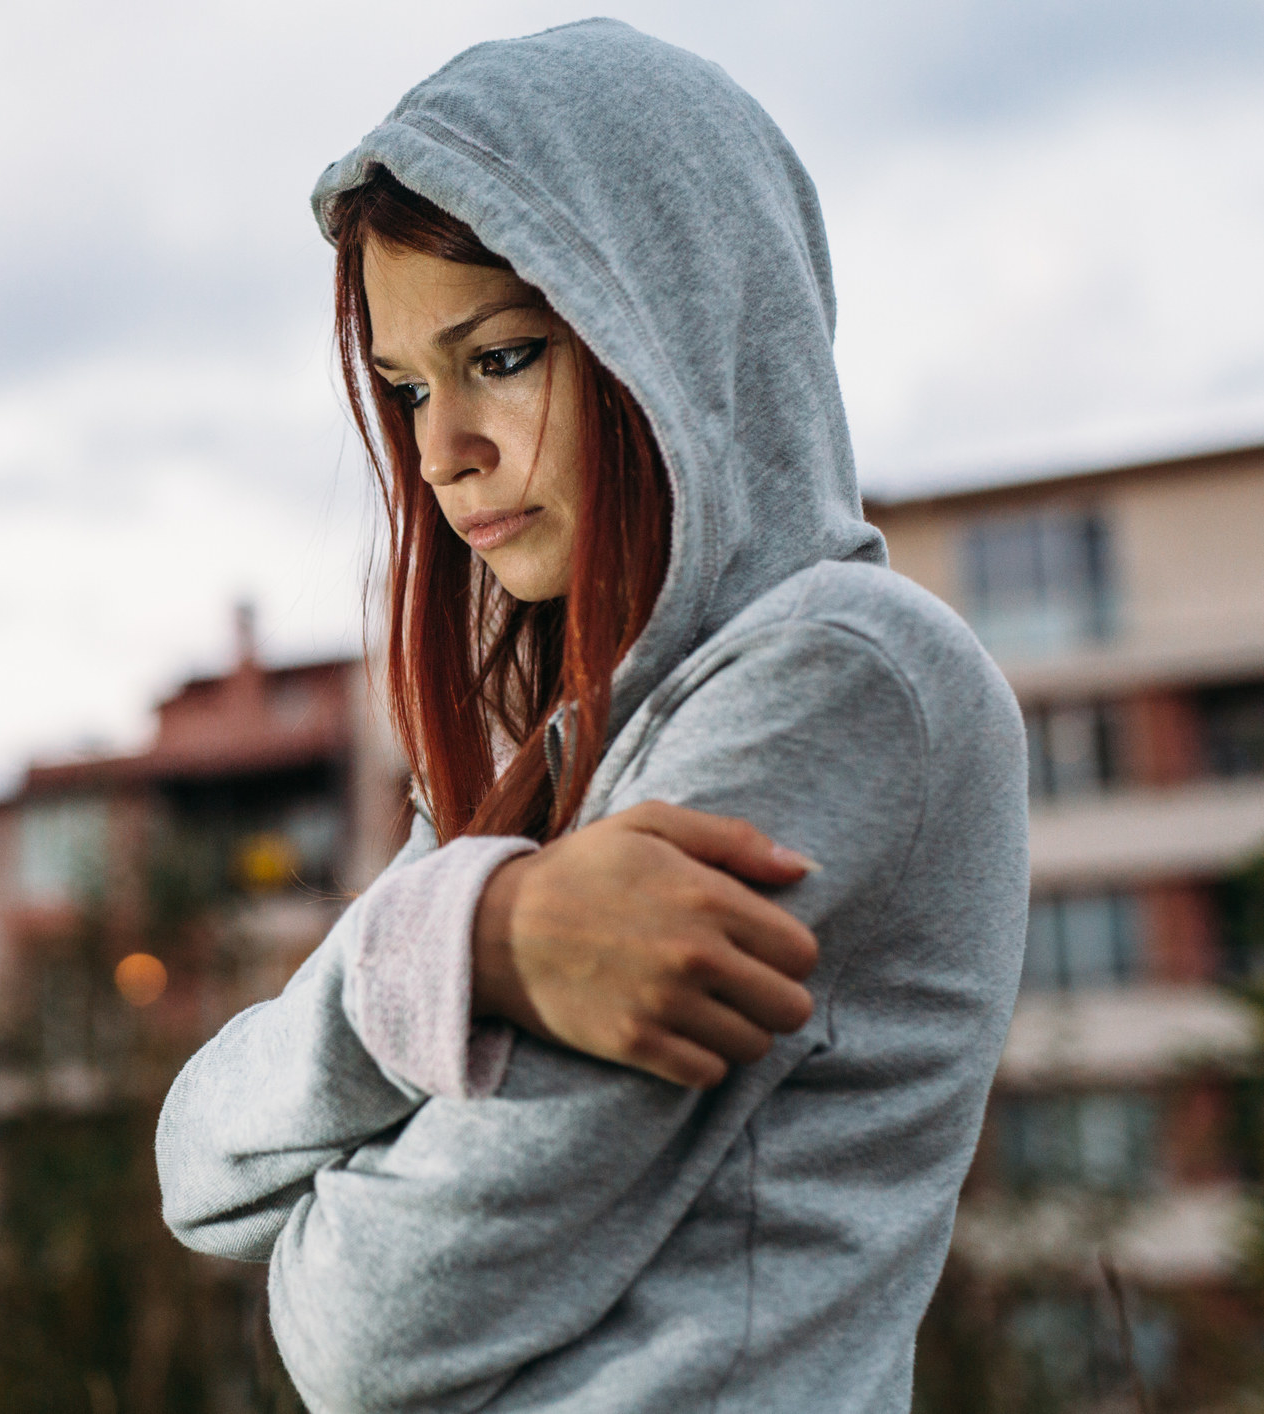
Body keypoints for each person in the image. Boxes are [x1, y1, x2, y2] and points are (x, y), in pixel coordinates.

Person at [155, 20, 1028, 1413]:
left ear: (676, 324)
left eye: (498, 356)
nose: (441, 451)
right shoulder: (551, 760)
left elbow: (361, 1322)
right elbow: (194, 1161)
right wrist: (474, 938)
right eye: (407, 387)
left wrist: (416, 999)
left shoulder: (844, 678)